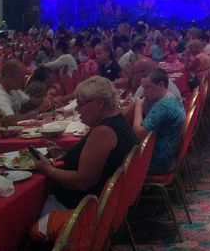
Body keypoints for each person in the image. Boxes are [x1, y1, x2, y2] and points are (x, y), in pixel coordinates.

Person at [31, 76, 139, 214]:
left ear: (100, 103)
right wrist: (65, 154)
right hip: (109, 204)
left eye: (81, 103)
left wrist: (48, 169)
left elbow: (82, 182)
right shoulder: (118, 120)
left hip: (80, 210)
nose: (77, 109)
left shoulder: (103, 132)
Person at [129, 68, 185, 174]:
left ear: (161, 85)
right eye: (143, 87)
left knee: (117, 162)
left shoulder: (163, 106)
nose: (144, 91)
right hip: (170, 153)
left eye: (147, 87)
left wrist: (138, 106)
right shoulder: (172, 98)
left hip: (158, 161)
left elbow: (138, 133)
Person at [0, 60, 52, 125]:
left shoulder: (13, 89)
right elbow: (9, 121)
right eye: (21, 77)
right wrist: (36, 112)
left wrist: (44, 100)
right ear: (8, 77)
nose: (23, 81)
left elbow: (28, 103)